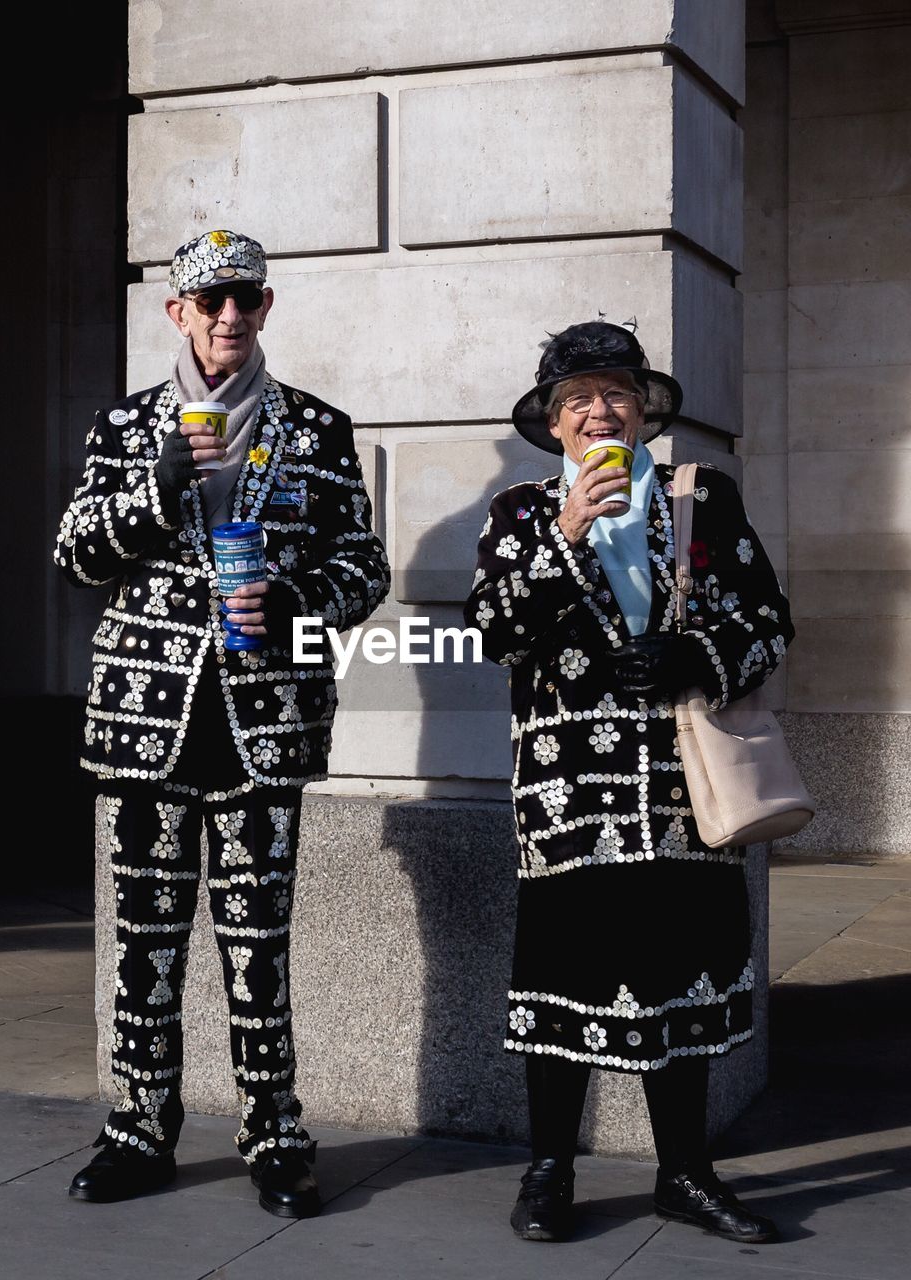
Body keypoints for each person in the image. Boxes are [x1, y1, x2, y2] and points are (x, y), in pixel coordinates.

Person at [55, 229, 389, 1215]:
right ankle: (136, 1128)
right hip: (143, 724)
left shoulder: (316, 430)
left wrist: (295, 603)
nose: (230, 316)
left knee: (259, 942)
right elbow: (76, 555)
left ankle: (275, 1133)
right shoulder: (125, 427)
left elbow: (361, 570)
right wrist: (158, 484)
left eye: (246, 299)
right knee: (144, 944)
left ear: (265, 307)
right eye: (212, 302)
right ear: (178, 313)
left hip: (262, 724)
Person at [464, 321, 790, 1244]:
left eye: (614, 393)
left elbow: (770, 618)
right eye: (577, 400)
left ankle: (685, 1174)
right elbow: (493, 627)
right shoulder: (521, 513)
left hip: (682, 793)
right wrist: (567, 535)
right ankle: (549, 1172)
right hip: (569, 796)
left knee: (678, 983)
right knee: (562, 983)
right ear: (554, 424)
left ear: (643, 410)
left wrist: (696, 649)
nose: (598, 411)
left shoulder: (702, 499)